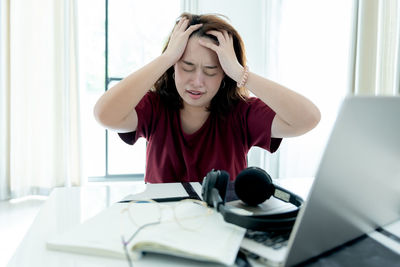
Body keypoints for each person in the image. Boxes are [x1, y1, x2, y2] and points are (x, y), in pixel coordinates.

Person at [93, 13, 320, 183]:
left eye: (211, 71)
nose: (197, 81)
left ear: (224, 74)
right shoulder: (155, 107)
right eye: (187, 66)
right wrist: (167, 58)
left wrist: (241, 73)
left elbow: (308, 118)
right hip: (162, 229)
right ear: (173, 67)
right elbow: (105, 115)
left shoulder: (242, 113)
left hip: (223, 229)